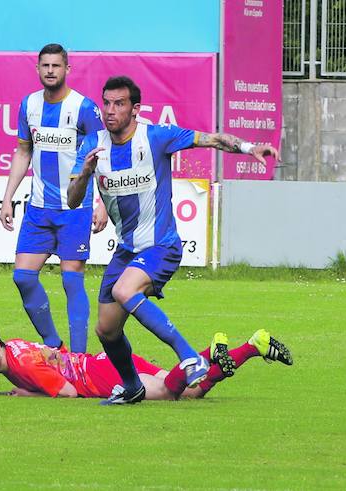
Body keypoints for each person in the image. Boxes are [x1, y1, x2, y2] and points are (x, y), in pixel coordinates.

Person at [67, 76, 280, 404]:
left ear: (135, 109)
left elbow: (210, 140)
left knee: (125, 291)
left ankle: (189, 355)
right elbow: (71, 199)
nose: (110, 111)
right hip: (126, 250)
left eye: (119, 104)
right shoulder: (93, 144)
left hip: (161, 245)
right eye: (106, 103)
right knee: (106, 330)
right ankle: (132, 387)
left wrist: (250, 148)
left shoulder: (156, 137)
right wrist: (84, 173)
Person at [0, 43, 107, 353]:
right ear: (37, 69)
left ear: (67, 69)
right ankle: (53, 344)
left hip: (75, 208)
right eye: (45, 65)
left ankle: (77, 358)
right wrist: (8, 197)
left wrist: (102, 202)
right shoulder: (29, 105)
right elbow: (23, 151)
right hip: (38, 208)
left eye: (56, 66)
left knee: (72, 281)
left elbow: (102, 156)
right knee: (23, 277)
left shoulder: (84, 108)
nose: (50, 71)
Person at [0, 323, 293, 400]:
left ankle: (211, 351)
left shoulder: (20, 366)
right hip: (104, 360)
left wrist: (29, 394)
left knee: (170, 392)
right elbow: (54, 349)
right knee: (191, 392)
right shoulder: (16, 347)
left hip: (99, 375)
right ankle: (252, 346)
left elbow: (67, 392)